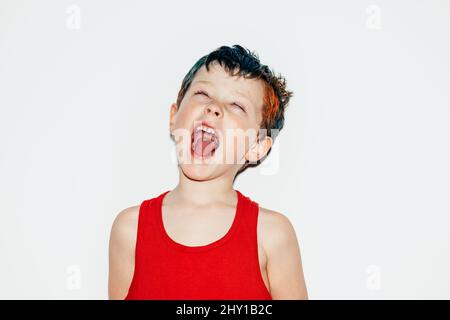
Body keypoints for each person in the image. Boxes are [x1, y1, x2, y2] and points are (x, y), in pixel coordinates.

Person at [108, 45, 308, 300]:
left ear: (257, 146)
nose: (214, 108)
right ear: (174, 116)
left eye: (237, 105)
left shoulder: (272, 235)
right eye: (203, 93)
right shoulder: (129, 230)